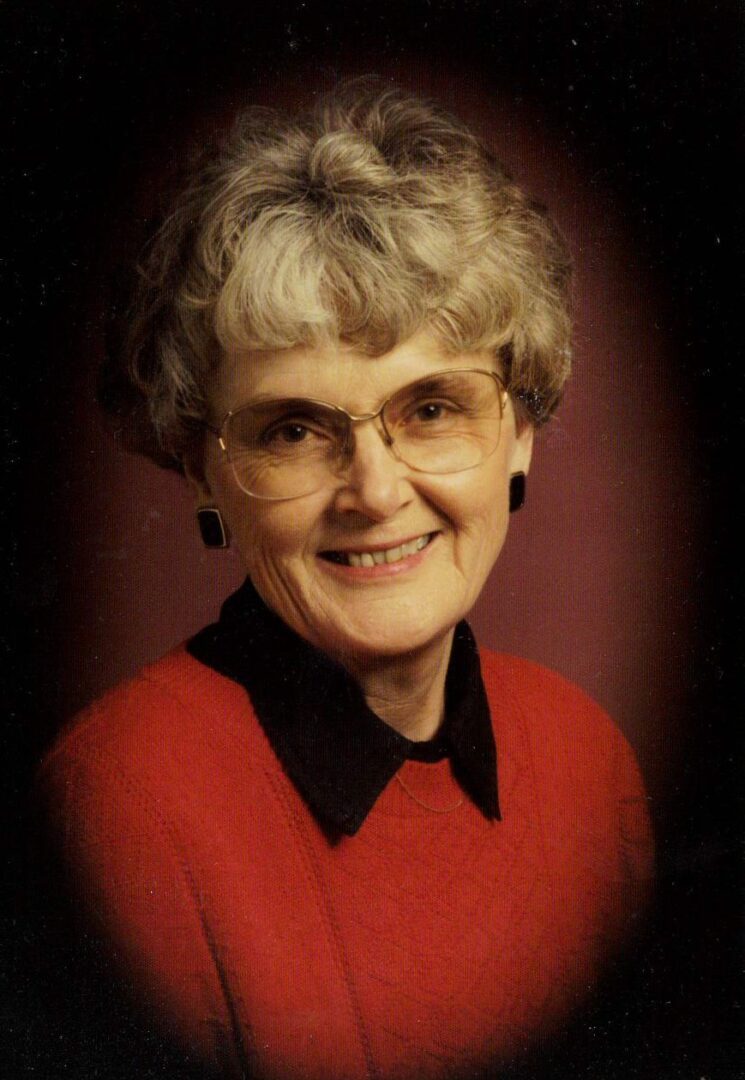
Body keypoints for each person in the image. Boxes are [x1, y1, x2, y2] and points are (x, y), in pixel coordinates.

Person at [38, 82, 654, 1080]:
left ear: (520, 432)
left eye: (431, 409)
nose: (373, 492)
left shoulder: (587, 760)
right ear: (201, 470)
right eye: (293, 430)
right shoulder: (120, 805)